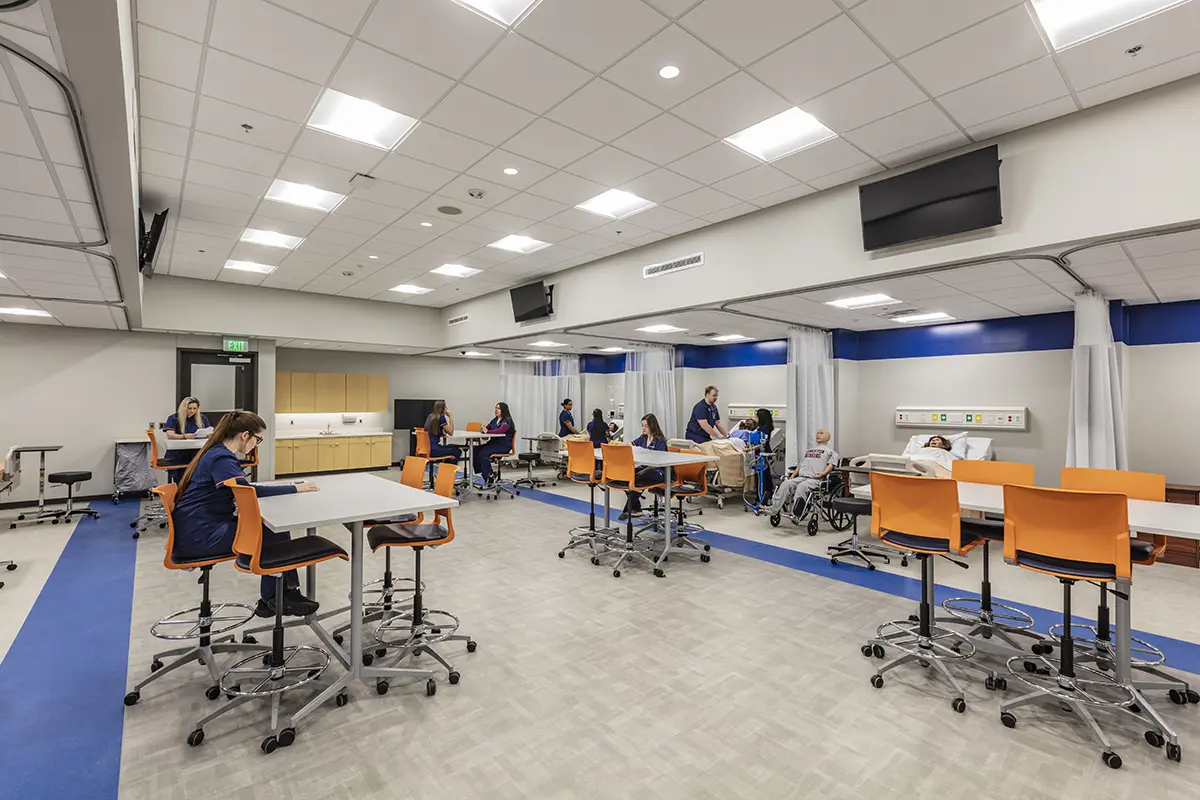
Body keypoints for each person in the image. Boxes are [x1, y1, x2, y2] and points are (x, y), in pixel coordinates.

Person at [172, 411, 320, 617]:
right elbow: (248, 492)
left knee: (271, 529)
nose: (256, 445)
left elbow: (243, 487)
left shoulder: (217, 453)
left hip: (198, 528)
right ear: (245, 435)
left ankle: (276, 596)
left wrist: (290, 486)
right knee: (271, 531)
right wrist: (295, 488)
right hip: (200, 535)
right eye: (257, 439)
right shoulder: (221, 458)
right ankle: (279, 596)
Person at [768, 428, 838, 518]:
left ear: (828, 437)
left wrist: (823, 474)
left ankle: (796, 512)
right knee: (786, 483)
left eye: (821, 433)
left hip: (815, 479)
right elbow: (800, 466)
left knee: (802, 486)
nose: (818, 434)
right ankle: (773, 508)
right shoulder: (808, 451)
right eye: (817, 433)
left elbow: (830, 465)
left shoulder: (831, 452)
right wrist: (792, 476)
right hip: (801, 477)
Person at [619, 413, 668, 521]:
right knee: (626, 476)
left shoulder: (660, 441)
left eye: (646, 426)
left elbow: (659, 462)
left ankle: (627, 509)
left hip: (657, 471)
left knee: (639, 478)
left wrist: (644, 470)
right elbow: (631, 445)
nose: (644, 428)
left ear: (652, 426)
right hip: (644, 469)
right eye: (642, 426)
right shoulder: (642, 438)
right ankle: (636, 508)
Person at [475, 402, 515, 484]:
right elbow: (487, 427)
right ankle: (484, 473)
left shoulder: (507, 420)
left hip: (503, 445)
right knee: (476, 450)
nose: (496, 410)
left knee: (483, 453)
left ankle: (489, 475)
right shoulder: (495, 420)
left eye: (498, 408)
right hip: (493, 444)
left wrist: (487, 431)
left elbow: (500, 431)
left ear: (503, 410)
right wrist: (483, 429)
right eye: (495, 408)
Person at [755, 408, 776, 502]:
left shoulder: (765, 429)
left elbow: (762, 443)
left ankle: (763, 497)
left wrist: (750, 448)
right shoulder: (761, 428)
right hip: (760, 454)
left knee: (762, 476)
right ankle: (766, 495)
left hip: (763, 454)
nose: (754, 418)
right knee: (764, 475)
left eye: (756, 416)